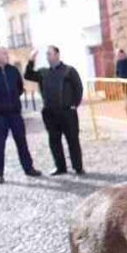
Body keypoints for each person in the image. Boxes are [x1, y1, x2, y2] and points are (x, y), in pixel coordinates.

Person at [0, 47, 42, 183]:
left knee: (22, 142)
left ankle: (29, 168)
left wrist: (13, 100)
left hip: (14, 114)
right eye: (3, 53)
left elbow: (19, 88)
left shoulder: (12, 70)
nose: (6, 55)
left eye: (6, 53)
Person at [25, 46, 85, 176]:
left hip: (67, 112)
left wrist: (75, 104)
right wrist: (31, 60)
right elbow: (28, 75)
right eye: (46, 54)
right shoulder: (43, 72)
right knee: (54, 140)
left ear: (57, 55)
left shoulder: (69, 71)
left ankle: (78, 166)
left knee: (72, 140)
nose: (48, 57)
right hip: (50, 113)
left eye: (50, 54)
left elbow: (78, 88)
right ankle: (60, 167)